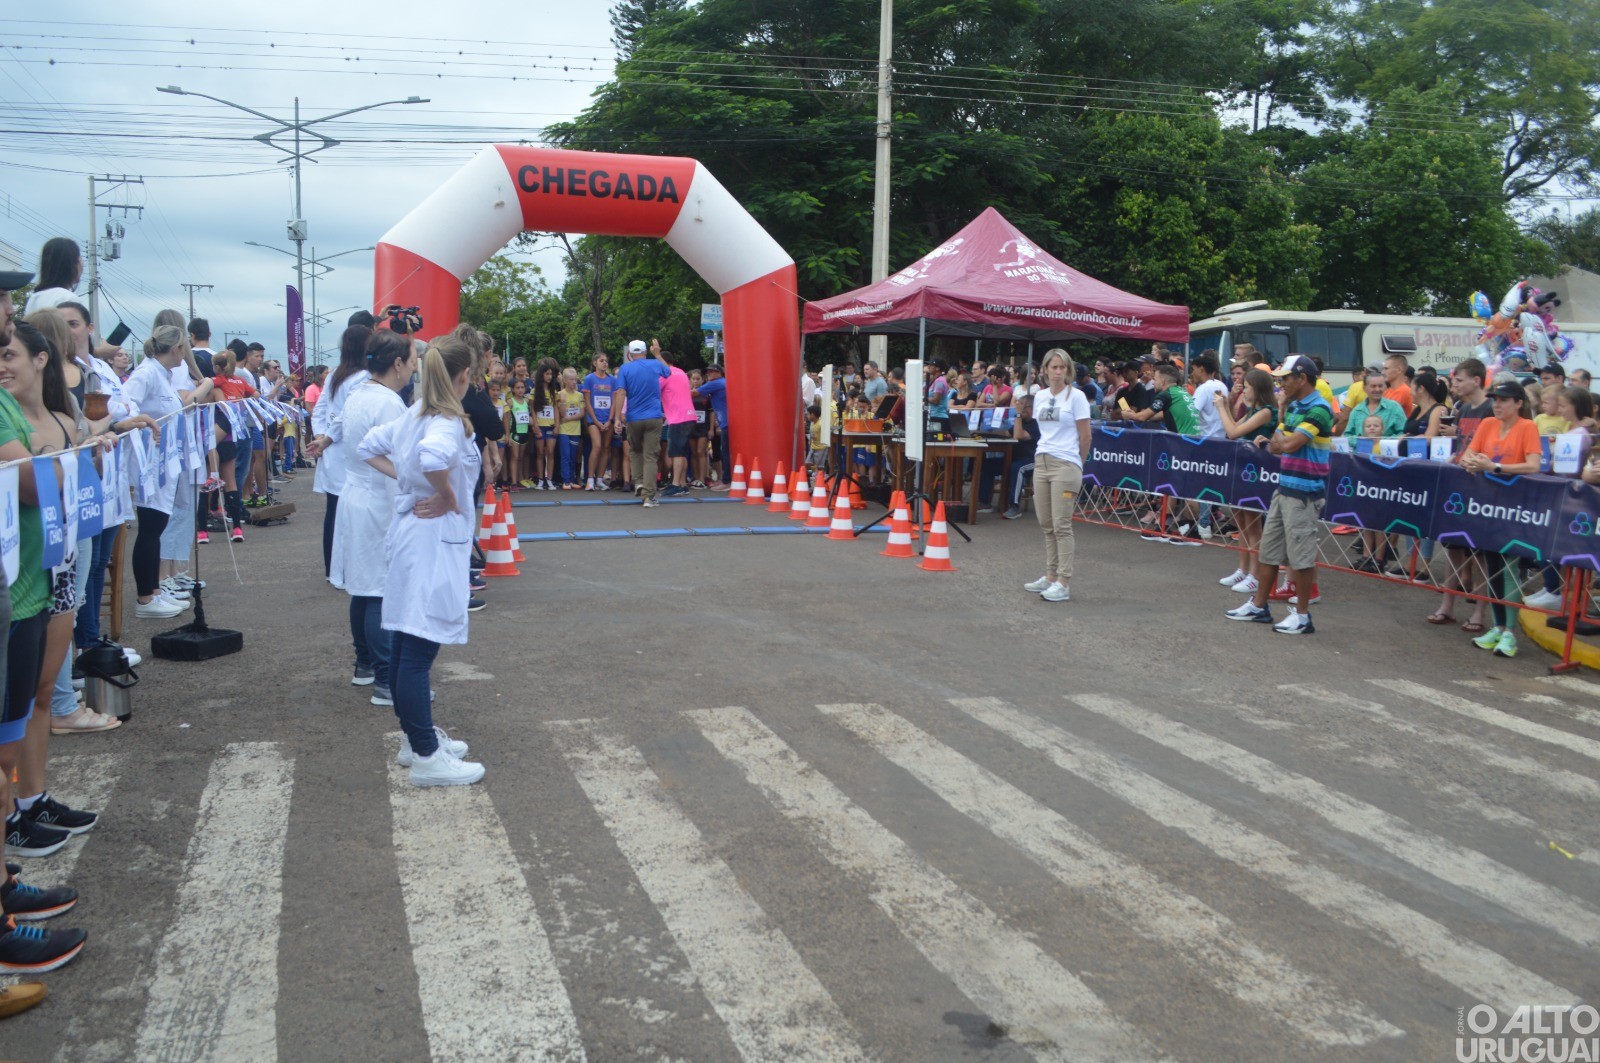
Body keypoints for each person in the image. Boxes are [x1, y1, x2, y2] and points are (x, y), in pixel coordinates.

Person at [358, 334, 483, 786]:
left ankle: (418, 740)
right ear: (464, 375)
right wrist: (445, 493)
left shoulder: (413, 413)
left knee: (410, 648)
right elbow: (432, 457)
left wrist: (412, 483)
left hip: (417, 537)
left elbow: (367, 445)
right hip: (430, 543)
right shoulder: (445, 420)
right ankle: (427, 755)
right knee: (416, 653)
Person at [332, 331, 414, 698]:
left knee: (362, 588)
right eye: (411, 360)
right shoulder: (389, 403)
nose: (414, 367)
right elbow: (397, 460)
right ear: (397, 364)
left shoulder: (358, 394)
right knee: (378, 588)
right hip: (378, 499)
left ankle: (365, 664)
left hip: (356, 496)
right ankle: (385, 678)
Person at [1224, 355, 1332, 634]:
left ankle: (1303, 615)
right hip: (1285, 488)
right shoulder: (1293, 406)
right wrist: (1282, 425)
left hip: (1305, 492)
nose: (1280, 383)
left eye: (1285, 378)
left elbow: (1290, 444)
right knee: (1269, 551)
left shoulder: (1319, 408)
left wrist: (1280, 438)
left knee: (1301, 556)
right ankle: (1259, 606)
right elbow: (1276, 446)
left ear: (1302, 378)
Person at [121, 325, 213, 617]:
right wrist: (142, 423)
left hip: (165, 462)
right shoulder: (146, 373)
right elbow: (124, 405)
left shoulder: (163, 375)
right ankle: (145, 598)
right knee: (150, 529)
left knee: (157, 528)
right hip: (150, 463)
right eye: (183, 349)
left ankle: (155, 591)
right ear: (176, 350)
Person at [1458, 381, 1543, 658]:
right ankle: (1497, 626)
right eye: (1495, 398)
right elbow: (1469, 455)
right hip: (1487, 505)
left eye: (1504, 399)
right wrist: (1470, 462)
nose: (1497, 404)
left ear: (1518, 403)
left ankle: (1509, 633)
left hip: (1516, 508)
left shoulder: (1527, 427)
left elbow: (1533, 465)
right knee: (1492, 566)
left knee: (1510, 569)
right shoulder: (1488, 424)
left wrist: (1495, 466)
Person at [1020, 350, 1091, 603]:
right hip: (1042, 461)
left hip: (1066, 463)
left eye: (1062, 367)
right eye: (1054, 367)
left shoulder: (1077, 397)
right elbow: (1041, 431)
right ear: (1045, 370)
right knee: (1046, 523)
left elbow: (1086, 436)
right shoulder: (1039, 396)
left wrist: (1077, 464)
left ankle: (1064, 581)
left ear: (1068, 370)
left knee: (1062, 525)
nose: (1058, 372)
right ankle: (1050, 576)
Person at [1428, 358, 1493, 630]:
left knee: (1479, 554)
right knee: (1453, 547)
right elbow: (1461, 444)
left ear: (1476, 381)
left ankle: (1479, 611)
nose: (1454, 385)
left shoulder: (1491, 409)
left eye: (1459, 380)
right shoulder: (1464, 408)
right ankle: (1447, 605)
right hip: (1460, 485)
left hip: (1483, 488)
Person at [306, 325, 371, 578]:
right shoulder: (363, 377)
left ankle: (331, 566)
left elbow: (320, 410)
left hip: (333, 449)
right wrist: (326, 438)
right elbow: (346, 414)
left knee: (333, 511)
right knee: (347, 513)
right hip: (345, 449)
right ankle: (342, 568)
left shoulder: (335, 374)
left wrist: (321, 434)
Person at [1213, 369, 1279, 594]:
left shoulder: (1267, 412)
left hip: (1255, 470)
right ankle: (1243, 569)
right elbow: (1233, 426)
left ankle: (1256, 574)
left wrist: (1221, 408)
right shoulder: (1254, 410)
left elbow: (1232, 432)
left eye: (1247, 386)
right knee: (1240, 520)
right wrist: (1229, 402)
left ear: (1258, 388)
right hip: (1242, 468)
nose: (1244, 389)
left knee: (1252, 524)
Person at [615, 339, 670, 506]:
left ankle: (638, 483)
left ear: (630, 355)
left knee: (635, 451)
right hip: (654, 416)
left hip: (633, 418)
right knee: (651, 456)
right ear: (645, 352)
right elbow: (668, 372)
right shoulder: (654, 364)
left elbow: (621, 392)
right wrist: (658, 354)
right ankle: (649, 496)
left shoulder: (625, 368)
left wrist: (617, 417)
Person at [658, 350, 695, 496]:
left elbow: (653, 390)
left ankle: (675, 485)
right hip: (689, 416)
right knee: (682, 452)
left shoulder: (665, 374)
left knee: (676, 453)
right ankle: (682, 484)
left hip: (678, 417)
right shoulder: (681, 372)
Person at [581, 353, 617, 490]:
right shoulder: (589, 379)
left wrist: (609, 420)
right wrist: (595, 421)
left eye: (606, 361)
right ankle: (590, 479)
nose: (605, 363)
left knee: (606, 448)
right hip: (593, 419)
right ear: (595, 363)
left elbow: (614, 402)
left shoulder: (612, 380)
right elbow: (588, 402)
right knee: (597, 445)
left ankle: (600, 479)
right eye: (601, 360)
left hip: (608, 419)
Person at [21, 238, 81, 314]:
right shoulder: (68, 298)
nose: (82, 266)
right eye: (80, 260)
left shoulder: (34, 299)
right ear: (71, 265)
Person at [555, 367, 586, 489]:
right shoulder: (560, 394)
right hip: (564, 431)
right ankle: (566, 480)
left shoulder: (579, 395)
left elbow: (582, 413)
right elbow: (561, 413)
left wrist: (569, 418)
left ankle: (572, 479)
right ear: (565, 380)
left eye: (575, 379)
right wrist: (562, 402)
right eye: (571, 379)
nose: (574, 382)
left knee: (573, 456)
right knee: (565, 455)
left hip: (575, 430)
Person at [531, 360, 559, 490]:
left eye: (551, 374)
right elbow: (532, 410)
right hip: (540, 426)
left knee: (550, 452)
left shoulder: (554, 391)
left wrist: (557, 425)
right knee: (540, 453)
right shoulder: (534, 391)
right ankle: (541, 480)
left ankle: (550, 479)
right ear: (541, 375)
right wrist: (535, 425)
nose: (549, 376)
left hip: (551, 425)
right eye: (547, 374)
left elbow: (556, 409)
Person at [504, 377, 533, 488]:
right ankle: (514, 482)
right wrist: (507, 434)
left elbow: (529, 415)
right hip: (514, 433)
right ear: (513, 389)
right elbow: (506, 418)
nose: (520, 390)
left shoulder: (526, 401)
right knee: (514, 457)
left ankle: (519, 479)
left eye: (522, 387)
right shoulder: (510, 402)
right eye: (518, 388)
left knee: (520, 457)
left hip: (524, 432)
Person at [688, 368, 712, 488]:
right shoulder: (687, 394)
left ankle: (702, 479)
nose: (696, 381)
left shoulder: (706, 394)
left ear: (702, 380)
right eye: (693, 379)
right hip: (691, 426)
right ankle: (695, 478)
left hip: (703, 427)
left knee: (700, 452)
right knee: (693, 453)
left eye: (698, 379)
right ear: (690, 380)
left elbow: (711, 412)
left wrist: (711, 429)